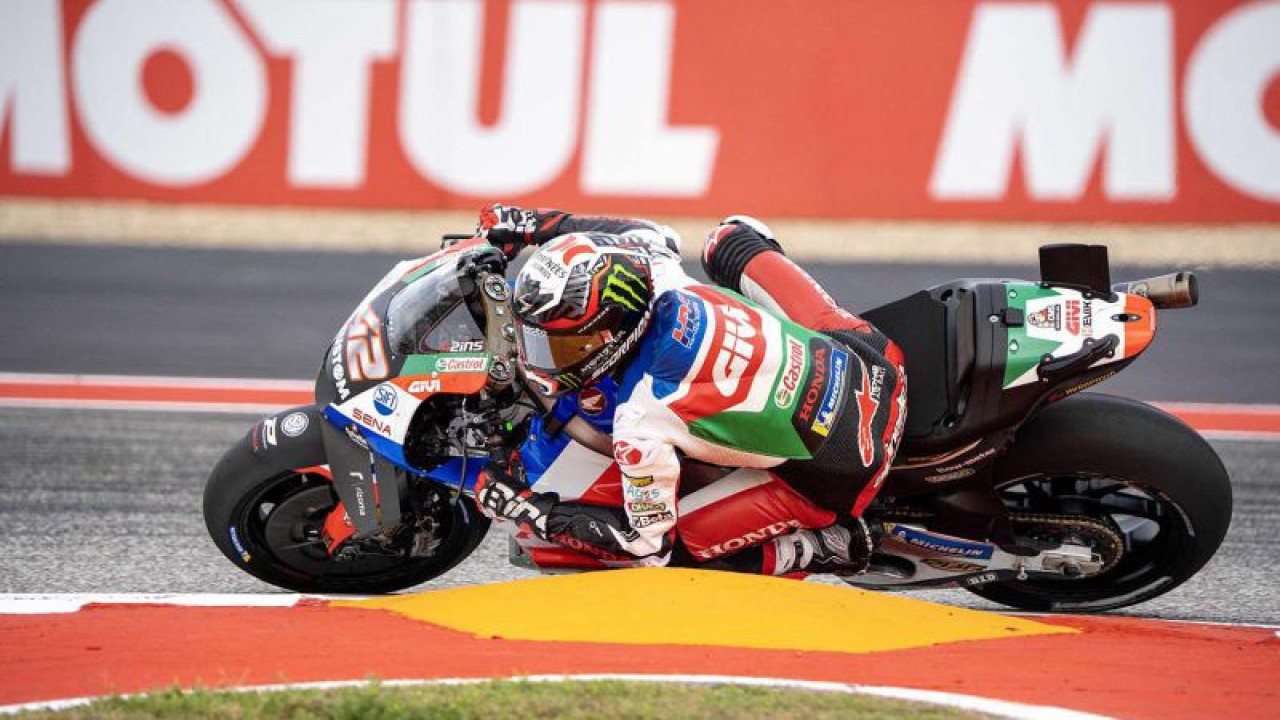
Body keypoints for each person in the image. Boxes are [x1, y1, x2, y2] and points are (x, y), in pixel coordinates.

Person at [472, 205, 907, 576]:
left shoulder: (640, 419)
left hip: (844, 468)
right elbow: (645, 232)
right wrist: (532, 224)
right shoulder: (659, 275)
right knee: (731, 237)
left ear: (615, 329)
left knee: (676, 552)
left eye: (565, 344)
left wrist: (528, 508)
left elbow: (643, 545)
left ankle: (816, 547)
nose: (544, 358)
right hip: (871, 356)